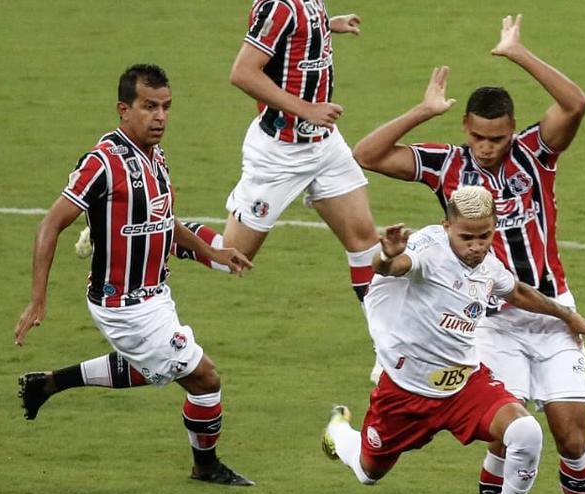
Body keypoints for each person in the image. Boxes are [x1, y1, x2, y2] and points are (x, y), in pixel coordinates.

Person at [353, 14, 585, 494]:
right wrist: (424, 110)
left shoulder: (536, 153)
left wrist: (519, 52)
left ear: (513, 131)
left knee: (572, 436)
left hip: (549, 311)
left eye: (497, 138)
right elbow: (368, 155)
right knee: (510, 435)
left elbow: (575, 104)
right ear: (467, 130)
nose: (487, 148)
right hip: (488, 323)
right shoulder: (448, 165)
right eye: (477, 136)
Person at [320, 186, 585, 494]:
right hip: (407, 393)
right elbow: (392, 269)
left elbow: (514, 290)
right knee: (368, 472)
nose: (477, 246)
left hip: (465, 385)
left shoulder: (485, 261)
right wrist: (388, 254)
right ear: (447, 226)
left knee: (525, 431)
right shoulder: (428, 251)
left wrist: (565, 315)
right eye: (467, 236)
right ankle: (339, 432)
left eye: (485, 236)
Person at [14, 64, 255, 487]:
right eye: (149, 107)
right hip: (123, 305)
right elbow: (50, 225)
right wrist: (38, 299)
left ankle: (48, 384)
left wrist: (211, 251)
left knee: (158, 368)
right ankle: (205, 467)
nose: (160, 116)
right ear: (124, 110)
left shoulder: (154, 156)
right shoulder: (102, 163)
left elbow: (165, 220)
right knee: (204, 378)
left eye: (165, 107)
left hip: (155, 295)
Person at [75, 2, 381, 304]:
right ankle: (141, 229)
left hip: (326, 144)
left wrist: (325, 27)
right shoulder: (277, 6)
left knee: (364, 242)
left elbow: (292, 36)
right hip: (281, 153)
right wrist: (306, 109)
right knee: (234, 255)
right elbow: (243, 72)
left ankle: (386, 342)